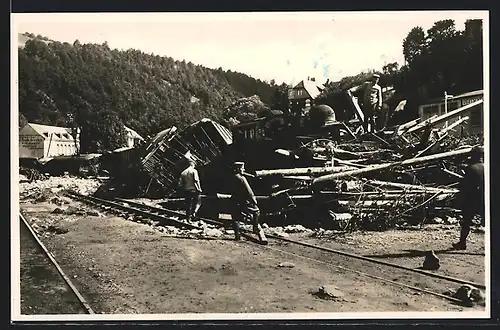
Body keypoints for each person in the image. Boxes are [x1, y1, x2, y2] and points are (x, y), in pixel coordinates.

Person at [452, 146, 484, 250]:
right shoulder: (487, 167)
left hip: (472, 198)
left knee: (466, 221)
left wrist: (461, 199)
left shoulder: (471, 168)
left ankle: (462, 243)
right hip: (484, 198)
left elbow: (466, 186)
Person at [229, 161, 263, 242]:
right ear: (237, 169)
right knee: (257, 211)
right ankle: (255, 227)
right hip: (244, 200)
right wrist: (253, 199)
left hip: (234, 200)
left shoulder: (232, 177)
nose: (243, 169)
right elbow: (249, 191)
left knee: (235, 217)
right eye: (242, 168)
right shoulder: (242, 178)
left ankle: (237, 236)